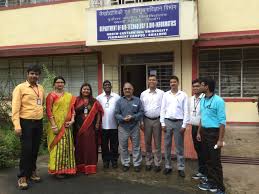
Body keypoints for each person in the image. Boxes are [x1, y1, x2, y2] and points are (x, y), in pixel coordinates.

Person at [12, 64, 44, 190]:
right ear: (27, 74)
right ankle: (22, 176)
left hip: (38, 122)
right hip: (25, 122)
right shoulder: (20, 88)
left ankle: (32, 172)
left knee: (35, 149)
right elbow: (15, 109)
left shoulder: (40, 88)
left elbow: (41, 104)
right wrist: (17, 125)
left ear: (38, 76)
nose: (34, 76)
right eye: (32, 73)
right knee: (26, 150)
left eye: (36, 74)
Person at [197, 77, 226, 194]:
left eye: (201, 85)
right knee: (207, 159)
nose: (199, 87)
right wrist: (199, 132)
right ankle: (211, 182)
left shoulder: (219, 101)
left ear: (207, 86)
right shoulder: (203, 99)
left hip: (214, 134)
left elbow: (222, 122)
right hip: (204, 132)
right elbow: (202, 117)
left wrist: (220, 140)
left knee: (215, 161)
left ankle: (220, 187)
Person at [46, 76, 76, 178]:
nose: (60, 84)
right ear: (54, 84)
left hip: (66, 126)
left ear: (64, 84)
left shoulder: (69, 96)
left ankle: (66, 169)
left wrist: (72, 121)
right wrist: (54, 126)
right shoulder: (51, 96)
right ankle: (56, 170)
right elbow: (49, 111)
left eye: (62, 82)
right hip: (55, 127)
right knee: (57, 147)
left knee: (66, 147)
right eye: (58, 82)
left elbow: (72, 110)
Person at [160, 75, 189, 177]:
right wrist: (162, 123)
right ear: (170, 84)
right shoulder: (165, 95)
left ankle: (181, 168)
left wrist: (184, 125)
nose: (173, 84)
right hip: (167, 122)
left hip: (179, 123)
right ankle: (168, 166)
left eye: (174, 82)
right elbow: (162, 109)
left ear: (178, 83)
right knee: (167, 145)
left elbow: (186, 111)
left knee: (179, 147)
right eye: (171, 82)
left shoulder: (183, 95)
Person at [73, 83, 103, 175]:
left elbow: (99, 112)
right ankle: (80, 167)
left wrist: (98, 123)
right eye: (84, 89)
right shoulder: (76, 100)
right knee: (79, 147)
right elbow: (72, 112)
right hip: (79, 128)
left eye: (88, 89)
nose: (86, 91)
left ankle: (90, 167)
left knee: (90, 147)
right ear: (81, 90)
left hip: (91, 128)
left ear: (90, 91)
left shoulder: (94, 101)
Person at [115, 82, 144, 172]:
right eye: (125, 89)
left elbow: (141, 112)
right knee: (123, 147)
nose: (127, 90)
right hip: (123, 127)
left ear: (132, 90)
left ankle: (137, 163)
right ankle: (126, 163)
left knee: (136, 146)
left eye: (129, 89)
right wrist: (123, 118)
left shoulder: (137, 100)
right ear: (123, 90)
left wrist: (133, 117)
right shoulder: (119, 101)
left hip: (134, 126)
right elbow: (116, 113)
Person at [140, 75, 164, 172]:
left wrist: (162, 122)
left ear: (156, 81)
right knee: (148, 142)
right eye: (150, 80)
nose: (151, 81)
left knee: (157, 143)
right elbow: (141, 109)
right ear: (147, 81)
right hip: (146, 120)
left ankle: (158, 163)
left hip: (157, 120)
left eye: (153, 80)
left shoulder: (162, 93)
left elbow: (164, 108)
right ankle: (148, 162)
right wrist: (141, 121)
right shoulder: (143, 94)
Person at [96, 80, 120, 169]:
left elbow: (120, 110)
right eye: (105, 85)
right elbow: (97, 111)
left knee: (114, 145)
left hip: (114, 126)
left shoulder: (117, 97)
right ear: (103, 87)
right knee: (104, 145)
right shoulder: (99, 98)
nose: (107, 86)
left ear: (111, 86)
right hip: (103, 126)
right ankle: (106, 161)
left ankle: (114, 161)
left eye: (108, 84)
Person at [189, 79, 206, 180]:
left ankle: (204, 172)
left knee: (203, 150)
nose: (195, 88)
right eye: (193, 86)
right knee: (198, 149)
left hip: (202, 128)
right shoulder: (190, 99)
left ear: (201, 87)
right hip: (194, 127)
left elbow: (204, 116)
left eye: (197, 86)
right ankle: (202, 170)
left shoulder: (205, 98)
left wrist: (199, 131)